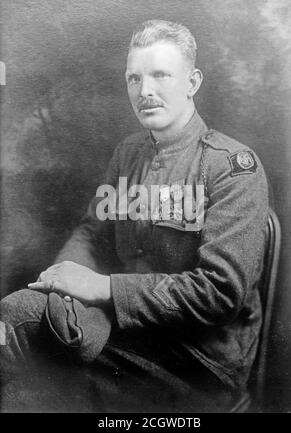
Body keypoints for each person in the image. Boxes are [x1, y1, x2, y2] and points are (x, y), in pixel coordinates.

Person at [0, 19, 269, 413]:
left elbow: (220, 292)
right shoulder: (128, 153)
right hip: (125, 331)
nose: (145, 91)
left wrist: (103, 289)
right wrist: (63, 287)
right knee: (21, 322)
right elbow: (93, 233)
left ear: (193, 82)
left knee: (19, 333)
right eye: (134, 78)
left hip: (197, 360)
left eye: (160, 75)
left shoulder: (232, 167)